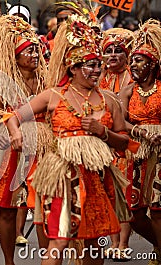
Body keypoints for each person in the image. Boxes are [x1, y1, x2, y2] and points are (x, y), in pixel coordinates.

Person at [7, 14, 130, 265]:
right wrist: (16, 133)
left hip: (96, 178)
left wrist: (103, 132)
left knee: (93, 242)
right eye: (90, 65)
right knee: (59, 240)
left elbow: (124, 143)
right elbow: (14, 117)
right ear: (73, 68)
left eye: (99, 65)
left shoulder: (109, 100)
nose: (97, 70)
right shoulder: (52, 96)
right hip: (62, 177)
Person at [0, 15, 51, 264]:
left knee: (43, 208)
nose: (35, 54)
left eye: (36, 49)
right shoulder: (2, 82)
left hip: (43, 148)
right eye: (28, 50)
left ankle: (47, 260)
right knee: (7, 210)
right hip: (12, 150)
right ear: (16, 56)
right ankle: (8, 261)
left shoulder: (47, 79)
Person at [119, 19, 161, 265]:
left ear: (153, 64)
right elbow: (120, 121)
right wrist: (141, 133)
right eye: (132, 60)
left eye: (139, 60)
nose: (133, 65)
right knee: (134, 212)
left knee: (157, 209)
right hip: (137, 153)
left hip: (160, 154)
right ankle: (157, 244)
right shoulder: (128, 91)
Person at [99, 28, 134, 260]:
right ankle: (112, 241)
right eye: (108, 51)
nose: (112, 55)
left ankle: (123, 244)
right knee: (107, 193)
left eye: (117, 51)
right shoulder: (98, 77)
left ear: (127, 55)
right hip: (102, 145)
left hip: (125, 143)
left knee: (124, 192)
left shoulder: (133, 78)